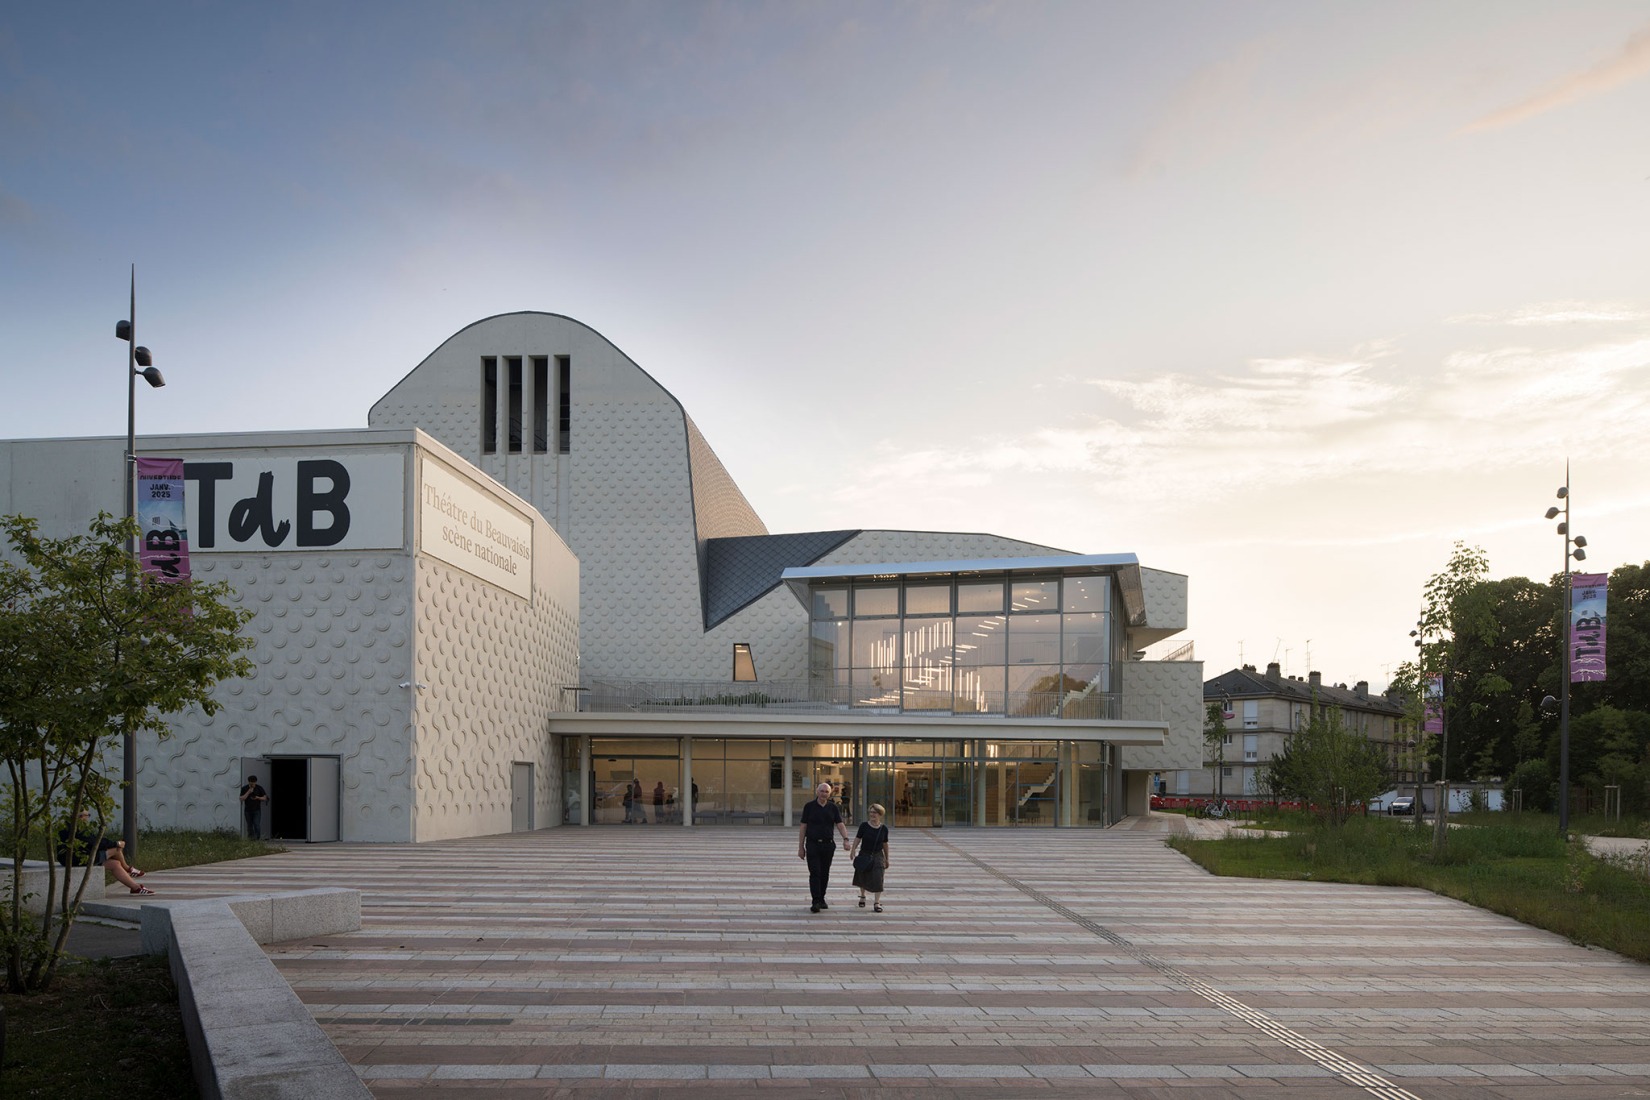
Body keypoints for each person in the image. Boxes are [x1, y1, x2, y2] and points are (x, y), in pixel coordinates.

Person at [56, 810, 154, 895]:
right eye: (87, 816)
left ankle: (135, 888)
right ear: (81, 817)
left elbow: (94, 840)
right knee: (116, 849)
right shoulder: (76, 829)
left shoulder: (70, 826)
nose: (88, 818)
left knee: (115, 864)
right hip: (78, 859)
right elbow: (94, 842)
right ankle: (128, 869)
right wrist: (116, 843)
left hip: (81, 856)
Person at [797, 781, 850, 912]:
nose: (824, 794)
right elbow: (803, 827)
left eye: (826, 792)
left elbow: (840, 824)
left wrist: (846, 839)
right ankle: (815, 901)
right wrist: (801, 847)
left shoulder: (833, 808)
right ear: (817, 792)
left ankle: (821, 898)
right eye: (822, 791)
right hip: (813, 844)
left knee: (825, 873)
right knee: (815, 872)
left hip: (828, 845)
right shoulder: (809, 807)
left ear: (830, 793)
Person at [849, 803, 891, 912]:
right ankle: (862, 896)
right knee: (862, 877)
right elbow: (858, 838)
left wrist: (887, 858)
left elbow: (885, 844)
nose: (872, 814)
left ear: (880, 814)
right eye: (871, 812)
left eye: (875, 812)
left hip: (878, 856)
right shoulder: (864, 826)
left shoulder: (884, 829)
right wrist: (853, 850)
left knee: (878, 879)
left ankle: (877, 903)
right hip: (864, 854)